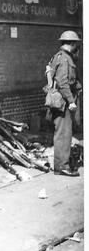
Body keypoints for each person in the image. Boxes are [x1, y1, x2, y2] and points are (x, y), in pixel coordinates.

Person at [48, 30, 82, 176]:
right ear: (72, 43)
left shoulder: (63, 57)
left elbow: (72, 81)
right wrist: (71, 100)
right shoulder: (64, 59)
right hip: (63, 102)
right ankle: (61, 166)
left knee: (65, 133)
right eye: (76, 44)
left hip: (63, 100)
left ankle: (62, 164)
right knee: (63, 133)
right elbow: (62, 82)